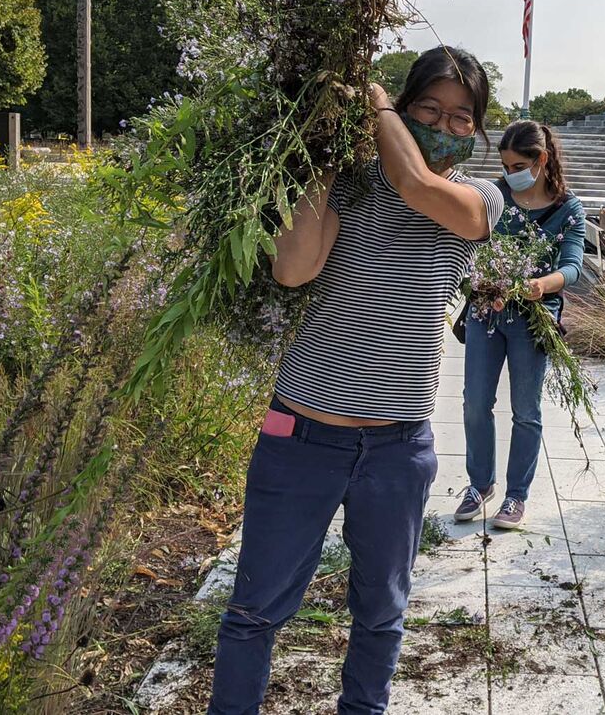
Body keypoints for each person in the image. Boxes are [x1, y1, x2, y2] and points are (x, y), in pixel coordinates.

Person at [208, 46, 504, 715]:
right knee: (254, 609)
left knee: (380, 613)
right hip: (300, 436)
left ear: (478, 132)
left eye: (461, 116)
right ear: (403, 108)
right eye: (427, 107)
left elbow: (419, 189)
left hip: (398, 448)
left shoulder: (480, 199)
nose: (444, 124)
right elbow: (292, 268)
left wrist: (373, 106)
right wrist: (318, 149)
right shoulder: (348, 184)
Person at [455, 120, 585, 530]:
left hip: (533, 317)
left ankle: (516, 495)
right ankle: (479, 485)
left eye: (517, 165)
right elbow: (468, 243)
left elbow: (573, 265)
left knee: (526, 410)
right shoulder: (494, 196)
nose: (510, 173)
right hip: (485, 311)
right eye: (505, 165)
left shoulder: (568, 208)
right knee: (476, 402)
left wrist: (539, 286)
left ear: (541, 160)